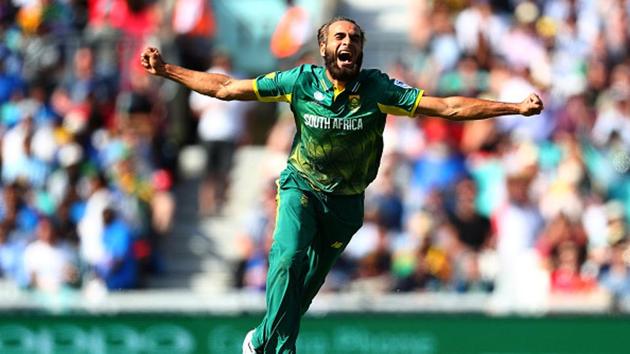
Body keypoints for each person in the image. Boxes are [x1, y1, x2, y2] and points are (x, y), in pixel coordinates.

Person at [141, 16, 543, 354]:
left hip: (346, 205)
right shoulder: (299, 82)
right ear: (323, 48)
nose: (348, 42)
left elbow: (448, 107)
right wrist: (168, 71)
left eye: (354, 38)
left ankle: (260, 342)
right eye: (340, 36)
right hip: (301, 187)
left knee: (303, 293)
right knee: (287, 259)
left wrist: (513, 108)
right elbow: (228, 89)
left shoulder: (378, 90)